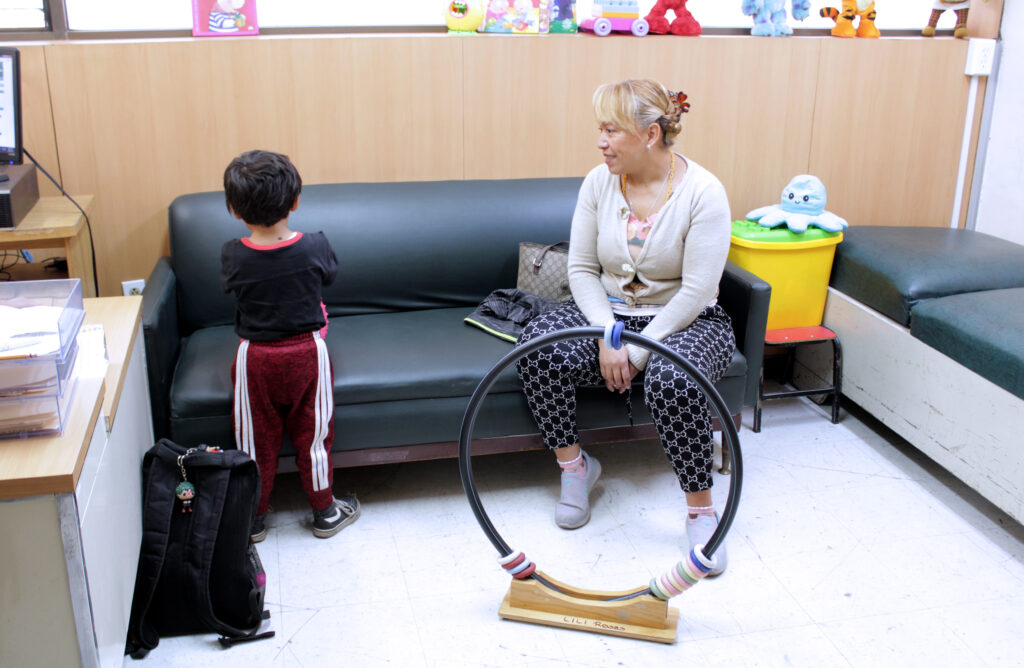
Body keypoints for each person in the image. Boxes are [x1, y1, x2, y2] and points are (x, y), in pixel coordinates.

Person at [516, 79, 735, 574]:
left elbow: (698, 290)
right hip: (611, 313)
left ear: (650, 134)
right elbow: (581, 270)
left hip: (687, 319)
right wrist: (608, 334)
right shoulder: (598, 182)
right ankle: (575, 468)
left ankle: (701, 511)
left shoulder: (704, 192)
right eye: (600, 129)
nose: (601, 142)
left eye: (611, 130)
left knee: (675, 379)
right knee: (537, 346)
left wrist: (637, 350)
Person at [221, 149, 360, 542]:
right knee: (314, 437)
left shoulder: (232, 255)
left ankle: (252, 519)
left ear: (234, 209)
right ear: (295, 201)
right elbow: (328, 277)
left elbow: (231, 287)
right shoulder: (316, 246)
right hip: (308, 355)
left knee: (254, 441)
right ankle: (325, 511)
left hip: (255, 358)